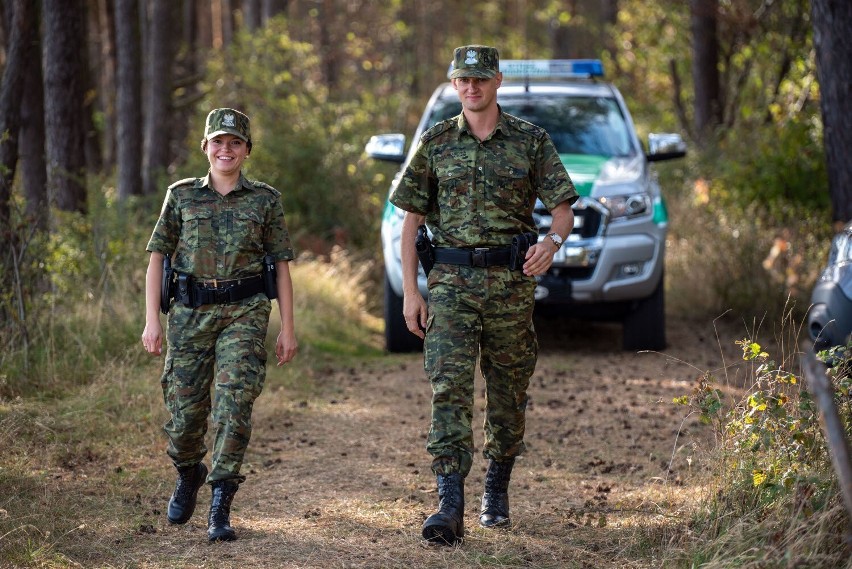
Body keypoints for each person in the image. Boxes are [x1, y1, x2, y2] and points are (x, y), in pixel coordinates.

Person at [389, 45, 578, 545]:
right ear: (454, 85)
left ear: (498, 81)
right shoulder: (434, 142)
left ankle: (497, 483)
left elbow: (563, 209)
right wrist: (411, 291)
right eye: (462, 80)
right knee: (448, 386)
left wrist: (552, 243)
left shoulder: (530, 140)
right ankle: (449, 502)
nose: (471, 88)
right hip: (450, 286)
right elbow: (410, 225)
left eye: (480, 79)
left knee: (508, 390)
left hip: (510, 288)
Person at [141, 108, 297, 542]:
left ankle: (220, 505)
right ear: (206, 147)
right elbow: (157, 259)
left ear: (246, 150)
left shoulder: (265, 199)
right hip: (189, 314)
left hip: (244, 312)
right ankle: (189, 470)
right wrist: (151, 320)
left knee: (234, 404)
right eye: (218, 142)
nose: (226, 150)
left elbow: (281, 265)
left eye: (235, 143)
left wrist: (287, 327)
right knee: (183, 415)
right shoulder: (181, 195)